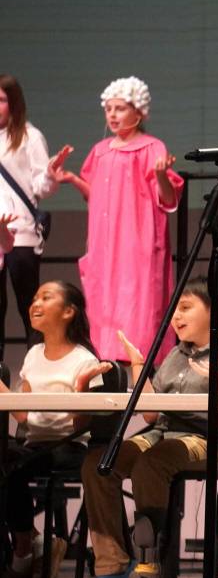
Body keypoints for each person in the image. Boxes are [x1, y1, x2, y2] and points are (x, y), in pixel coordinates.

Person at [79, 277, 218, 578]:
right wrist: (138, 364)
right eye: (174, 309)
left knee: (153, 462)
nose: (176, 316)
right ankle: (113, 565)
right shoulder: (175, 354)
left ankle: (150, 567)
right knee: (99, 463)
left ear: (213, 310)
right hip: (162, 436)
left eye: (185, 307)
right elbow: (151, 416)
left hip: (213, 442)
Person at [49, 76, 183, 364]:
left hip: (137, 242)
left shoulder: (151, 148)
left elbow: (169, 199)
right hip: (105, 245)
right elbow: (95, 195)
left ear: (139, 112)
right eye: (108, 109)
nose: (112, 114)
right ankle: (106, 365)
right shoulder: (100, 151)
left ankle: (141, 367)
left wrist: (161, 175)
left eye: (120, 108)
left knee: (139, 304)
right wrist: (71, 178)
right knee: (104, 303)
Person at [0, 281, 109, 578]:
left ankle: (23, 552)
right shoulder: (33, 355)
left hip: (68, 447)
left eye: (46, 298)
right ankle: (37, 542)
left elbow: (82, 425)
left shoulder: (84, 360)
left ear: (68, 311)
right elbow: (24, 416)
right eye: (34, 297)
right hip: (35, 445)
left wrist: (82, 388)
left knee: (15, 467)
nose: (35, 303)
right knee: (7, 459)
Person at [0, 74, 66, 354]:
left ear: (14, 103)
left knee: (30, 305)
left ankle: (36, 366)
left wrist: (50, 175)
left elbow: (41, 186)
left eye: (1, 100)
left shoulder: (30, 136)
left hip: (21, 232)